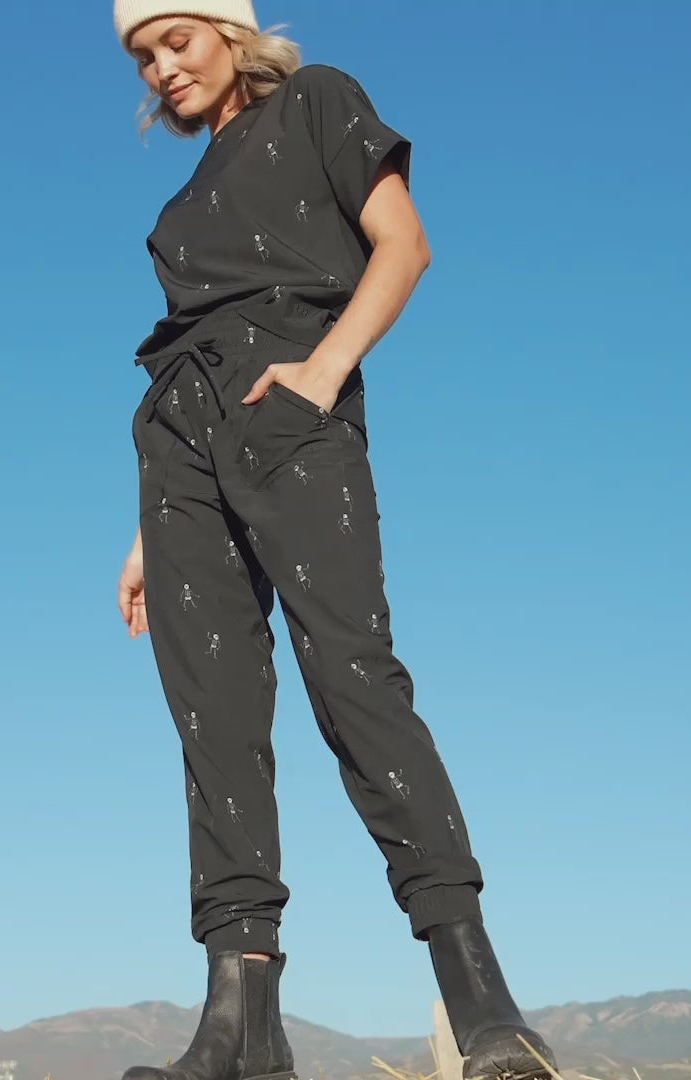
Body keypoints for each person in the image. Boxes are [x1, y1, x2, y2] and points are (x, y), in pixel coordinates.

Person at [113, 3, 559, 1078]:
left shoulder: (317, 102)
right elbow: (184, 351)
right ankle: (240, 1029)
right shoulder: (179, 206)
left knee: (356, 683)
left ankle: (485, 1009)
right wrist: (144, 532)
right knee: (214, 723)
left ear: (229, 31)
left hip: (287, 410)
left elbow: (405, 246)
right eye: (143, 57)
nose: (163, 68)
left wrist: (321, 372)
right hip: (177, 449)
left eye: (177, 41)